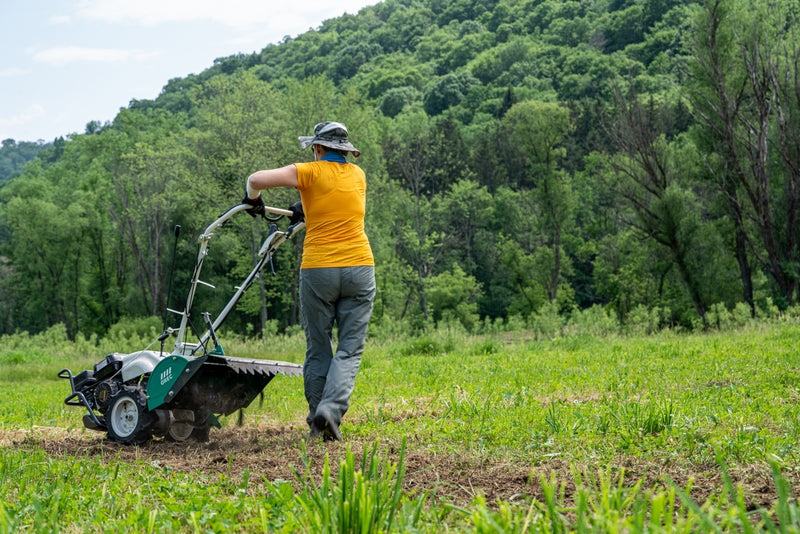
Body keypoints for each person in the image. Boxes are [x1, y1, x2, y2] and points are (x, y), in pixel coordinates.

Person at [243, 121, 375, 442]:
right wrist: (305, 207)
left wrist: (254, 200)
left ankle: (320, 417)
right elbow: (337, 203)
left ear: (317, 148)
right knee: (349, 350)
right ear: (345, 150)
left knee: (318, 347)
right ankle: (329, 412)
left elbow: (255, 180)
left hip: (319, 269)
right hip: (360, 267)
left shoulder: (309, 172)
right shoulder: (358, 175)